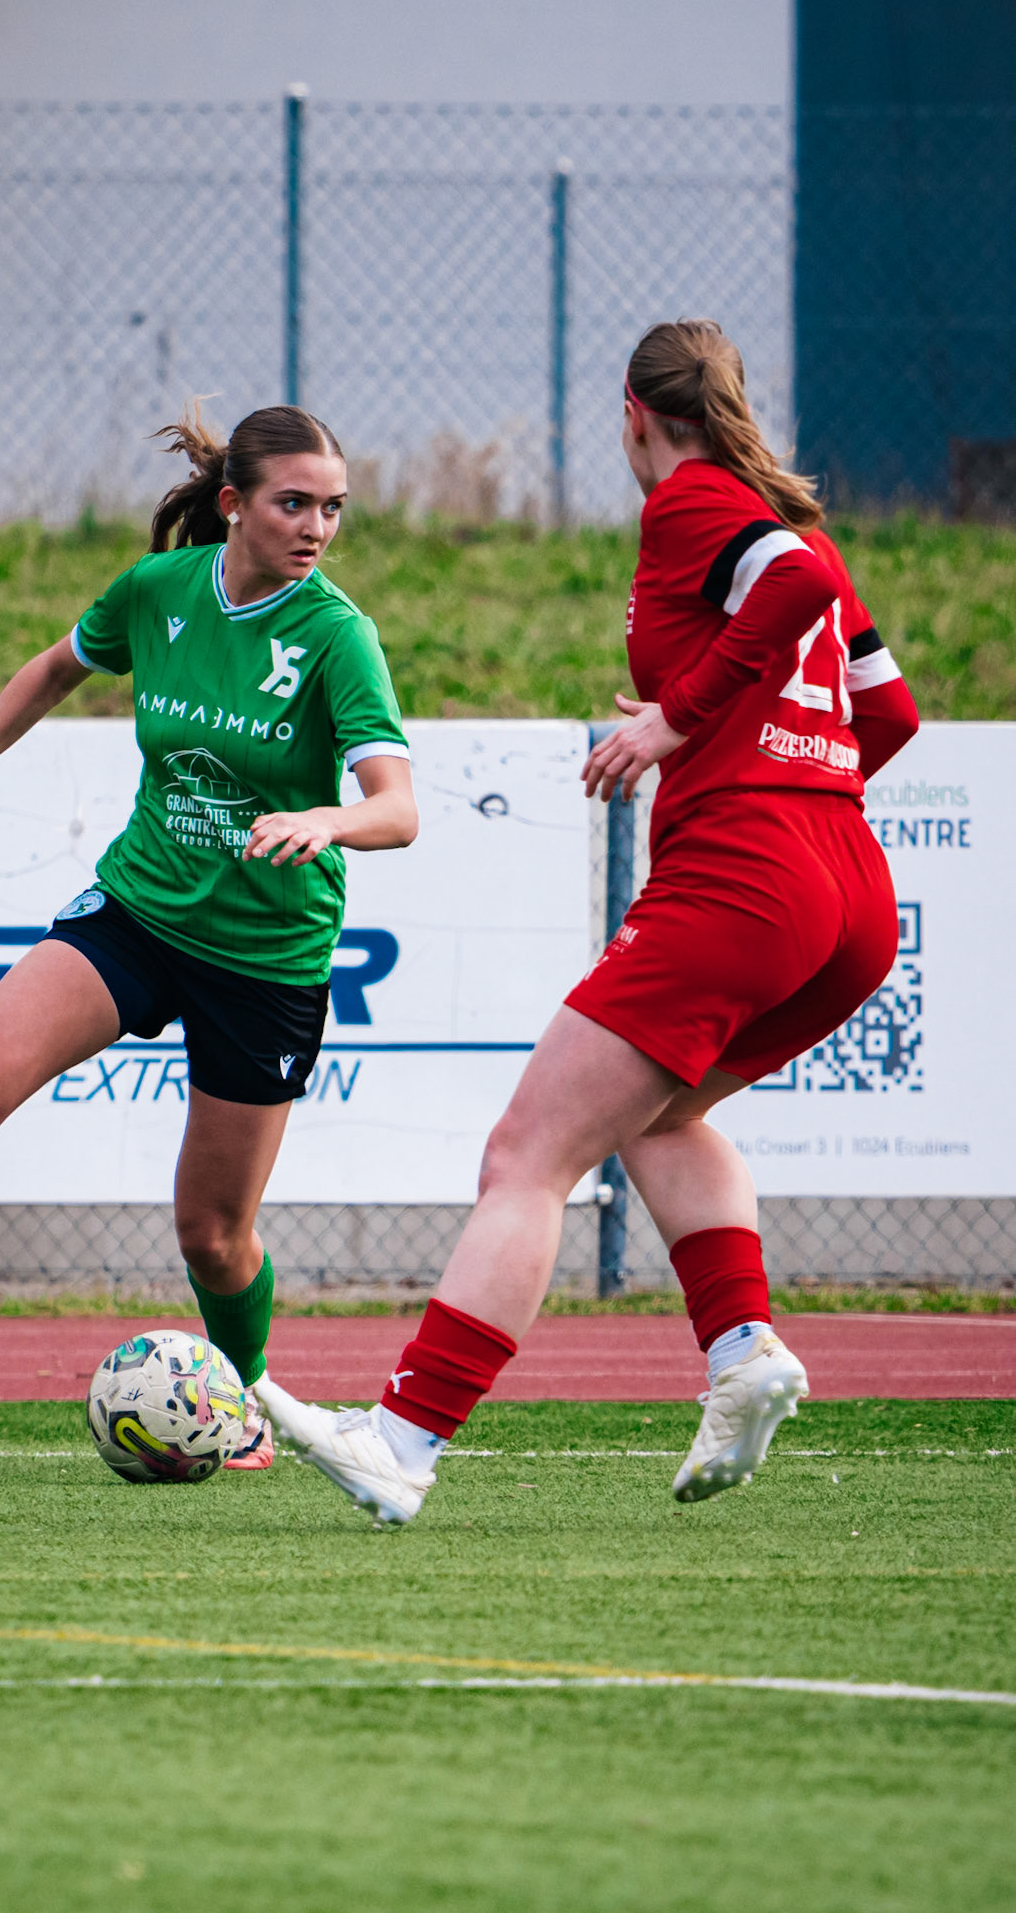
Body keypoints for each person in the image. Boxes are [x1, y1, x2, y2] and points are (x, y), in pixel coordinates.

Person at [260, 318, 920, 1521]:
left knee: (528, 1155)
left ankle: (403, 1439)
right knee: (660, 1118)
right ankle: (740, 1352)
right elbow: (893, 712)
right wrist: (784, 769)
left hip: (751, 872)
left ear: (631, 413)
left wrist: (684, 726)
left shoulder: (694, 502)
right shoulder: (774, 511)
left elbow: (800, 584)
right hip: (848, 887)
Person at [0, 404, 419, 1467]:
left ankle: (236, 1395)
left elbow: (400, 807)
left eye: (333, 507)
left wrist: (328, 816)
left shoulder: (337, 636)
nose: (316, 526)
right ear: (232, 503)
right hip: (140, 913)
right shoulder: (157, 594)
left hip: (265, 957)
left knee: (210, 1232)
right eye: (294, 502)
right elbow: (54, 666)